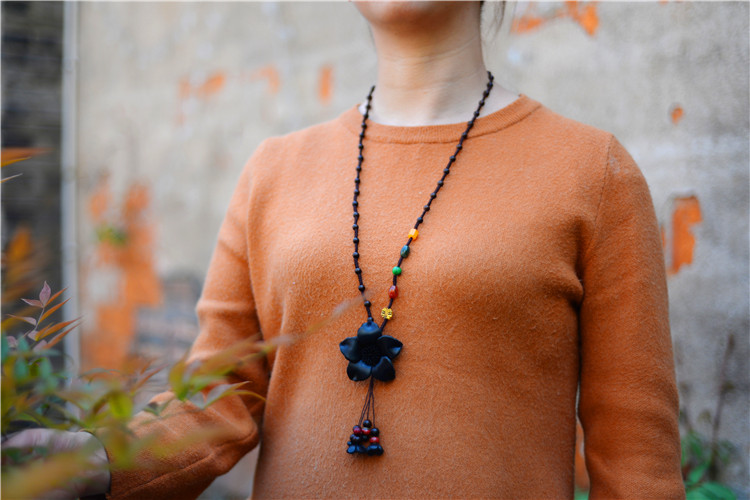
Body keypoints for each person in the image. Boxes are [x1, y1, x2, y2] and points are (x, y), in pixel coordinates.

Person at [5, 2, 685, 498]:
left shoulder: (592, 173)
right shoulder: (274, 170)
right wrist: (98, 457)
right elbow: (220, 396)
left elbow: (638, 466)